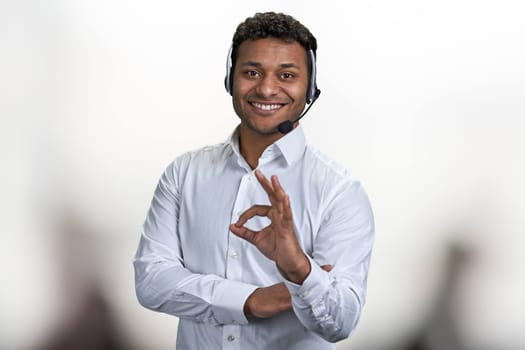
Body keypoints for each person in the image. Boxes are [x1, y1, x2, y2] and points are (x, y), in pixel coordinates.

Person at [134, 12, 374, 349]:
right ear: (230, 79)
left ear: (310, 88)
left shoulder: (340, 192)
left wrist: (299, 271)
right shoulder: (184, 174)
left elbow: (342, 322)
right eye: (251, 72)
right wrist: (249, 300)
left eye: (286, 75)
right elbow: (151, 282)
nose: (266, 88)